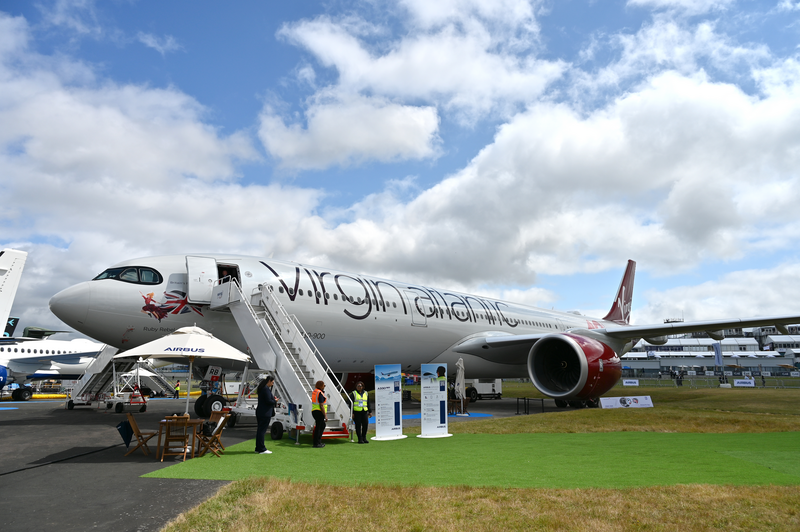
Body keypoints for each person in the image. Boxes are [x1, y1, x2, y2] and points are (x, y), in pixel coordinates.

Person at [255, 375, 277, 455]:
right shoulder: (266, 389)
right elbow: (268, 401)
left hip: (260, 412)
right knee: (262, 431)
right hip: (265, 413)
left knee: (260, 431)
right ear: (269, 381)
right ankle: (262, 449)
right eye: (272, 382)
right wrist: (275, 401)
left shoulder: (262, 388)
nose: (272, 384)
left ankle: (258, 448)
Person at [311, 380, 327, 448]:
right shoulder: (320, 393)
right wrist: (325, 415)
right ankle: (317, 443)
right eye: (324, 385)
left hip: (314, 411)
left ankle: (318, 442)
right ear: (321, 386)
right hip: (319, 412)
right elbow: (321, 405)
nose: (324, 386)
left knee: (321, 425)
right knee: (319, 427)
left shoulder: (315, 391)